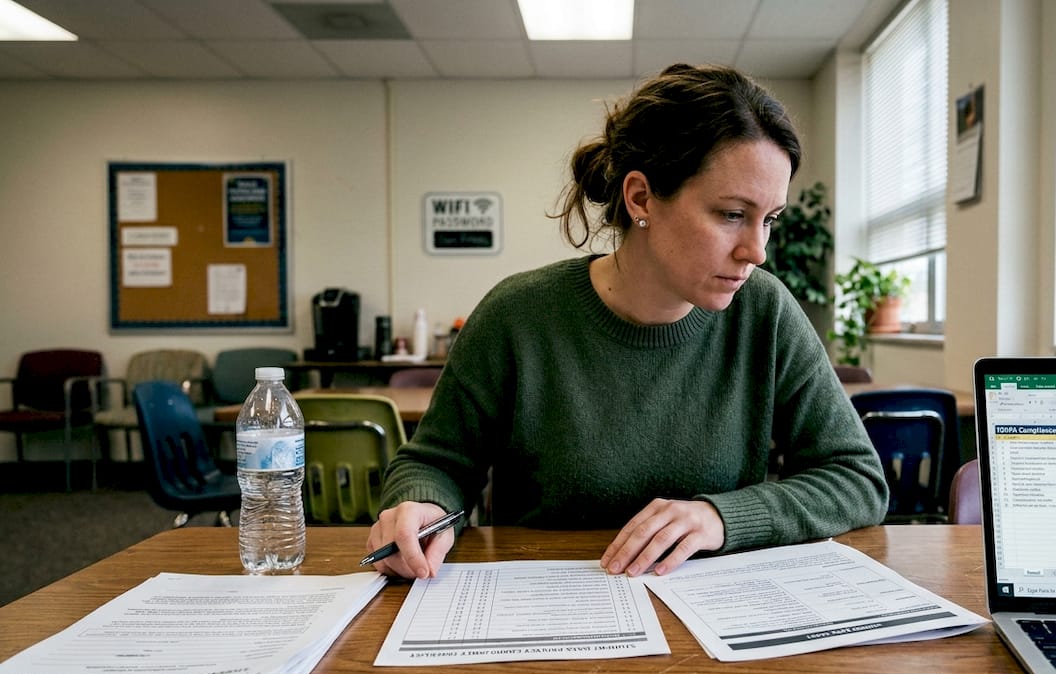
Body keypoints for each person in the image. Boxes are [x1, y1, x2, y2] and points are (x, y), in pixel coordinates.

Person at [367, 63, 888, 581]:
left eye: (769, 219)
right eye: (732, 214)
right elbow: (435, 463)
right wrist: (421, 506)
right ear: (641, 197)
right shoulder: (517, 315)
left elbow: (856, 478)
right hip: (541, 610)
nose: (758, 251)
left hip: (713, 616)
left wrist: (720, 518)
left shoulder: (765, 311)